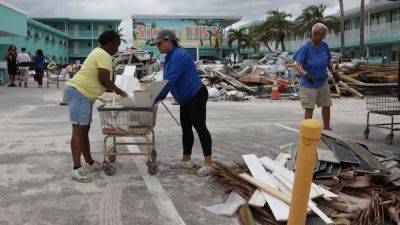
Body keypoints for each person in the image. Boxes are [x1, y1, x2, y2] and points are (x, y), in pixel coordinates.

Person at [64, 30, 128, 182]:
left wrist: (118, 92)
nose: (117, 49)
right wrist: (122, 92)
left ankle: (90, 162)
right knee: (79, 130)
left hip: (82, 94)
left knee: (84, 129)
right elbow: (104, 80)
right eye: (116, 46)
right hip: (80, 92)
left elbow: (103, 84)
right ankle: (76, 168)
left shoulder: (99, 53)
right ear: (110, 43)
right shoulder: (103, 55)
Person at [151, 30, 212, 176]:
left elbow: (170, 80)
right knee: (186, 127)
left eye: (159, 43)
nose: (157, 46)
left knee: (200, 126)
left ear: (169, 41)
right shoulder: (169, 57)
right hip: (185, 97)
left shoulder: (178, 55)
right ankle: (186, 159)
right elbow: (166, 79)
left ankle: (209, 163)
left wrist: (154, 98)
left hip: (195, 93)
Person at [293, 23, 339, 130]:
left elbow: (328, 61)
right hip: (309, 83)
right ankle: (308, 131)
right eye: (322, 35)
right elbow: (296, 64)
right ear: (315, 34)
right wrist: (306, 75)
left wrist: (334, 72)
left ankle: (327, 130)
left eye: (324, 35)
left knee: (326, 105)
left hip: (322, 81)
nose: (324, 37)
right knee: (309, 108)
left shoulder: (324, 46)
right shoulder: (305, 48)